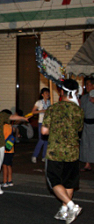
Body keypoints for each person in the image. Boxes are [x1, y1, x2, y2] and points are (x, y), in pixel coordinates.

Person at [41, 79, 84, 223]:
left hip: (55, 151)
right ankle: (65, 210)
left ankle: (71, 205)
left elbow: (44, 131)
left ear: (61, 91)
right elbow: (79, 130)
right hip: (72, 151)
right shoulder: (78, 110)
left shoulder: (53, 108)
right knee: (69, 182)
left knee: (54, 181)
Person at [31, 88, 50, 163]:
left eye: (48, 93)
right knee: (41, 139)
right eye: (45, 93)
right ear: (42, 94)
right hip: (41, 122)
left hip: (48, 123)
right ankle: (34, 155)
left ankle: (44, 156)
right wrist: (42, 111)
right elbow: (33, 112)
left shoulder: (49, 102)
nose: (47, 94)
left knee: (46, 140)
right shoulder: (39, 102)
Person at [79, 77, 94, 171]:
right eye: (86, 84)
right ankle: (87, 164)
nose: (87, 86)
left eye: (88, 84)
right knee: (85, 144)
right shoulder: (84, 97)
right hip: (85, 123)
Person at [1, 109, 15, 188]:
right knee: (9, 165)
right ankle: (10, 180)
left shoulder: (3, 127)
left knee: (4, 165)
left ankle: (5, 181)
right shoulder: (10, 126)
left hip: (5, 149)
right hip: (11, 149)